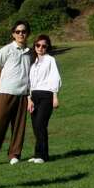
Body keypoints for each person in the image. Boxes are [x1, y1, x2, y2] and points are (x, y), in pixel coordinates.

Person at [0, 20, 32, 168]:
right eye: (18, 32)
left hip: (23, 93)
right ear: (13, 34)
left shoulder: (30, 52)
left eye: (23, 31)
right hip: (6, 92)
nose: (21, 34)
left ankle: (14, 155)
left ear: (27, 33)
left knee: (19, 126)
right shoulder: (6, 50)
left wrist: (29, 95)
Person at [27, 34, 61, 164]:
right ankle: (40, 154)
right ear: (35, 46)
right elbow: (28, 82)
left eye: (44, 46)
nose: (40, 48)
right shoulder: (32, 61)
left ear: (47, 47)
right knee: (36, 126)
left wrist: (55, 96)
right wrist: (29, 98)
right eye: (38, 45)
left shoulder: (50, 60)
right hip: (33, 96)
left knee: (41, 124)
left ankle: (41, 155)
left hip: (46, 95)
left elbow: (55, 78)